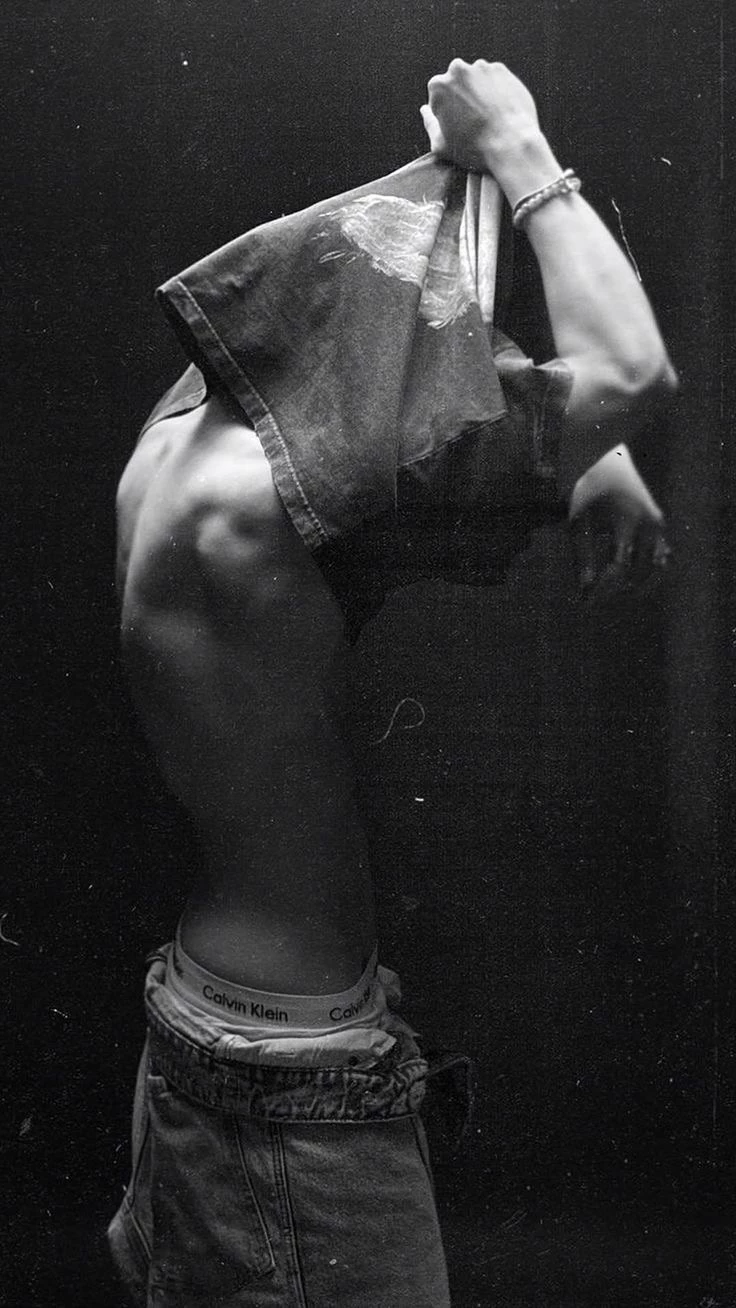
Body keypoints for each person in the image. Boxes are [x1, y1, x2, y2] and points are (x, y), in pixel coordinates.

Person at [108, 59, 676, 1307]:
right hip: (289, 1085)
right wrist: (521, 151)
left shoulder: (188, 427)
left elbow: (375, 350)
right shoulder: (274, 504)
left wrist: (586, 456)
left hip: (207, 1017)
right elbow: (635, 373)